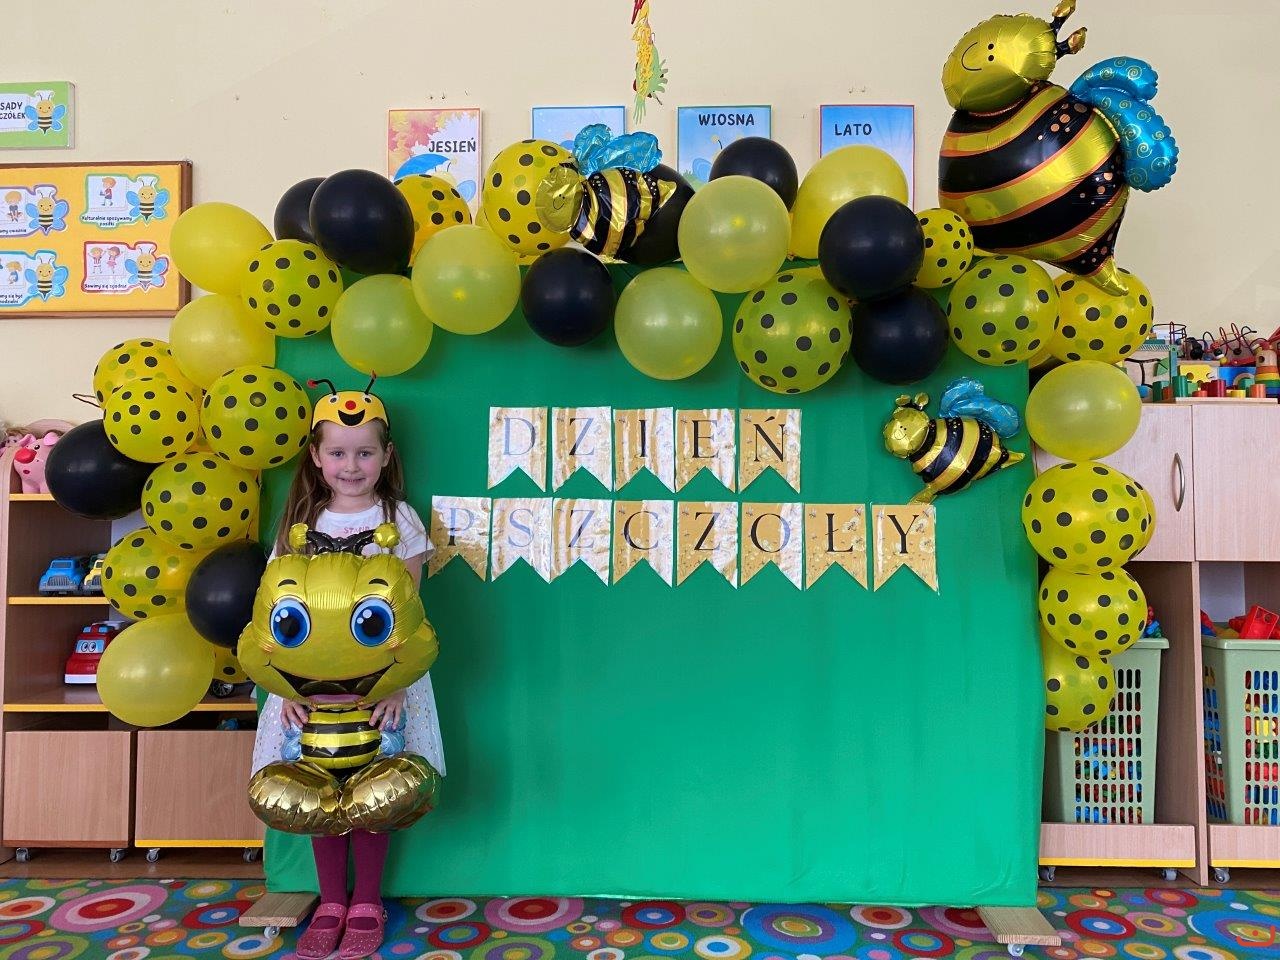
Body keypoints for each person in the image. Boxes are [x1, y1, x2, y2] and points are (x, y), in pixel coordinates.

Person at [249, 377, 444, 960]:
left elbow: (409, 611)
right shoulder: (300, 522)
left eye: (364, 452)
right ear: (316, 456)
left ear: (386, 455)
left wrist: (397, 685)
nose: (351, 466)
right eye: (337, 452)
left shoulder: (400, 519)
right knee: (319, 787)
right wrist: (284, 688)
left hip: (381, 686)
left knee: (373, 787)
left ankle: (367, 901)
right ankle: (331, 900)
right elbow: (278, 614)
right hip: (309, 690)